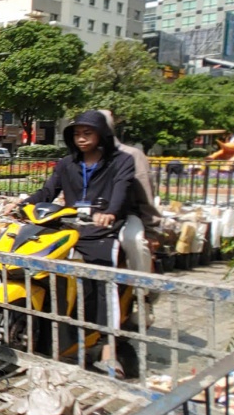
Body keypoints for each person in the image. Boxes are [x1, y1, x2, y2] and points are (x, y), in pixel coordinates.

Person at [19, 110, 138, 368]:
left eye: (87, 133)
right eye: (77, 134)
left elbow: (121, 189)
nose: (81, 139)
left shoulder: (121, 161)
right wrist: (24, 203)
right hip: (71, 228)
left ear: (101, 135)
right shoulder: (66, 164)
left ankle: (108, 346)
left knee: (102, 278)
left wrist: (110, 213)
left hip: (103, 231)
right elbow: (49, 190)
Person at [99, 109, 158, 274]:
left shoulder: (132, 155)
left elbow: (145, 194)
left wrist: (150, 229)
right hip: (87, 214)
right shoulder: (81, 156)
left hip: (125, 215)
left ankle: (142, 290)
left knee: (135, 241)